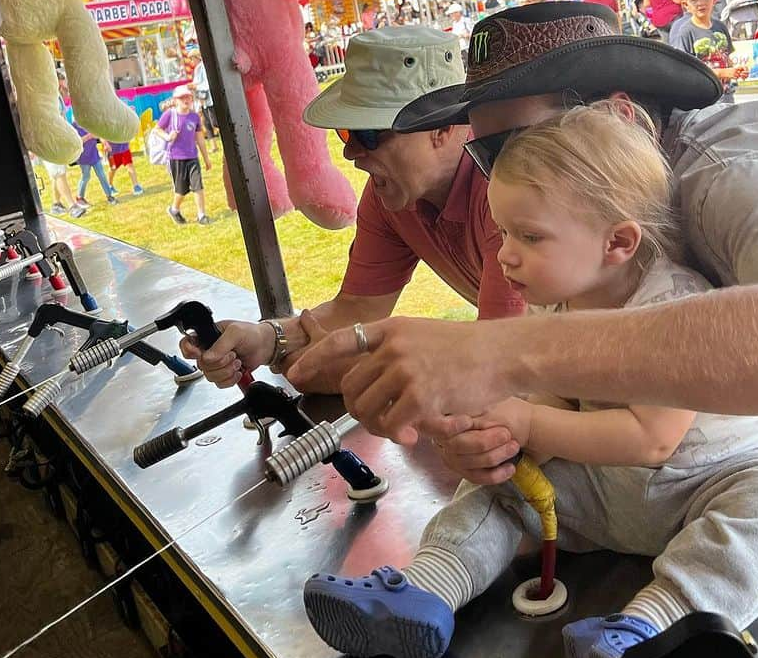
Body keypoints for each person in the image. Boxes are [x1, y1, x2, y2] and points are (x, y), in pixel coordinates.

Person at [302, 104, 758, 658]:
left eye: (529, 236)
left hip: (709, 484)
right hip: (603, 493)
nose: (505, 256)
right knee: (501, 484)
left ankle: (648, 635)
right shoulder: (556, 308)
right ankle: (425, 591)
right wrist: (497, 437)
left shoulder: (674, 305)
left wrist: (526, 421)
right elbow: (548, 408)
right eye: (501, 234)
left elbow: (652, 438)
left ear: (618, 242)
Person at [290, 1, 758, 540]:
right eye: (486, 153)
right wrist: (507, 431)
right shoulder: (609, 223)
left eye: (515, 146)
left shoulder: (729, 175)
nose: (498, 175)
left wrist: (501, 353)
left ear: (622, 118)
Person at [180, 28, 524, 392]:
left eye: (370, 134)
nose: (351, 152)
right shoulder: (391, 196)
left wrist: (352, 366)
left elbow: (500, 355)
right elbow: (357, 307)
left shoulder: (505, 190)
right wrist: (269, 338)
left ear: (440, 128)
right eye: (348, 132)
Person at [668, 0, 746, 96]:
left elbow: (727, 58)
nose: (701, 3)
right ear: (685, 5)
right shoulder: (686, 33)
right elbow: (684, 69)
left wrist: (737, 71)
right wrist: (722, 73)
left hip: (726, 93)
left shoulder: (720, 27)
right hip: (703, 97)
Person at [154, 85, 212, 224]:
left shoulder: (194, 117)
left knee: (198, 186)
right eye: (182, 98)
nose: (186, 100)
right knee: (181, 190)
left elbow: (199, 139)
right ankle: (174, 209)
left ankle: (201, 215)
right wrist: (168, 137)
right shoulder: (170, 114)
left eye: (188, 97)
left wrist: (206, 158)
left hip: (192, 157)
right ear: (175, 100)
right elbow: (157, 130)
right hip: (176, 158)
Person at [75, 126, 116, 206]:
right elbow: (76, 142)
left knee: (102, 175)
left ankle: (109, 196)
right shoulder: (74, 127)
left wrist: (105, 144)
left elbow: (98, 134)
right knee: (86, 176)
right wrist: (89, 136)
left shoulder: (89, 123)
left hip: (94, 155)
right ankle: (80, 197)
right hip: (83, 157)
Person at [192, 57, 218, 144]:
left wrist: (196, 87)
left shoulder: (203, 67)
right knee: (207, 123)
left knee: (215, 123)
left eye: (192, 59)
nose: (192, 61)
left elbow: (207, 84)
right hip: (203, 101)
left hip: (209, 100)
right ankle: (213, 145)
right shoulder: (197, 69)